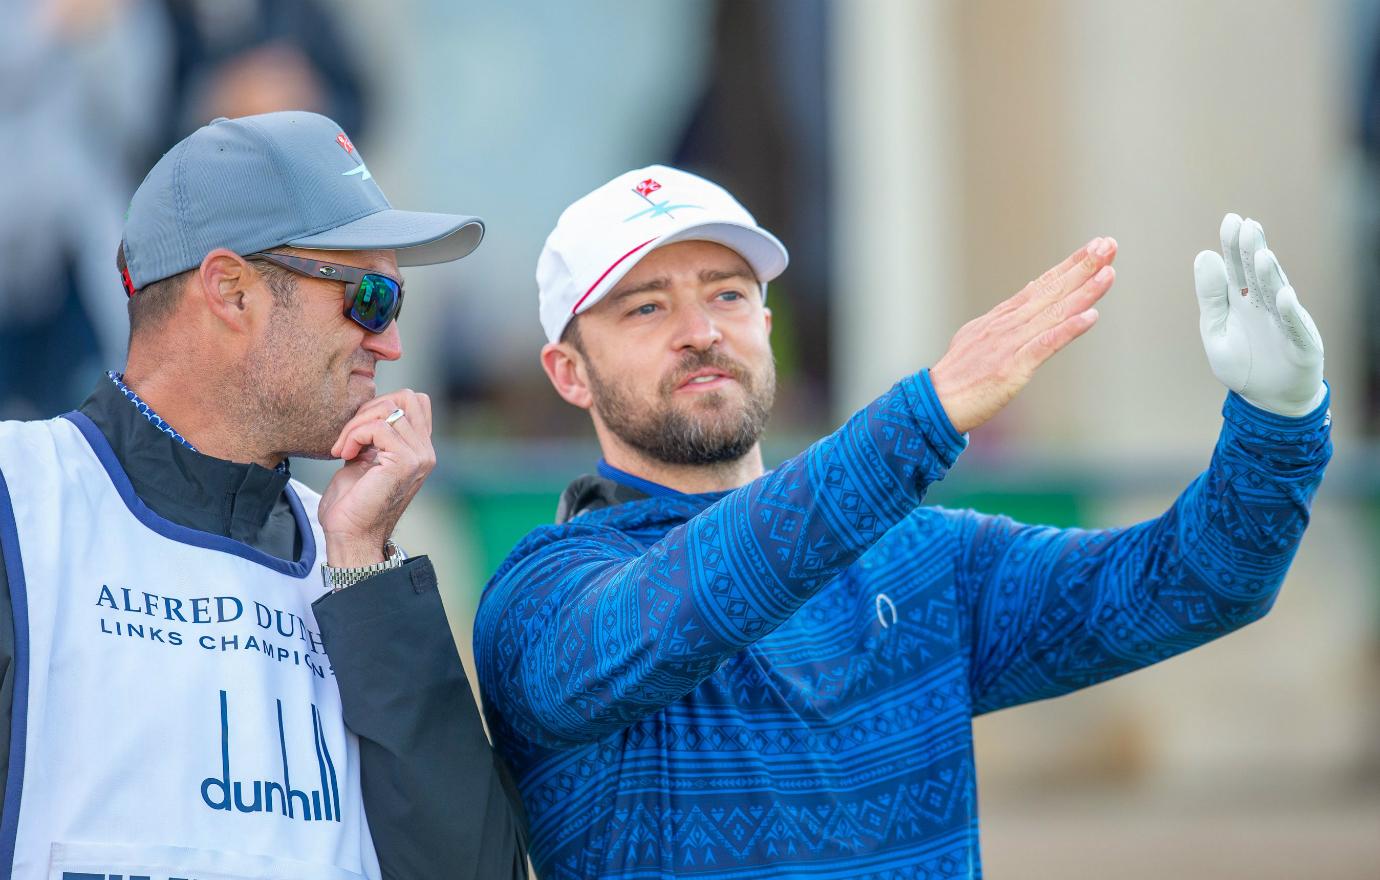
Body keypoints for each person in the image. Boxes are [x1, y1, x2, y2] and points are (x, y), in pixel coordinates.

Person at [474, 165, 1331, 878]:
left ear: (765, 327)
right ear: (569, 372)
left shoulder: (921, 559)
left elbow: (1197, 583)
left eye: (728, 294)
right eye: (646, 307)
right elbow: (699, 595)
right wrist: (923, 416)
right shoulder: (541, 599)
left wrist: (1278, 424)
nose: (701, 331)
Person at [0, 111, 526, 880]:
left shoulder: (353, 553)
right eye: (369, 298)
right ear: (232, 291)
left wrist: (365, 573)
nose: (390, 343)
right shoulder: (22, 496)